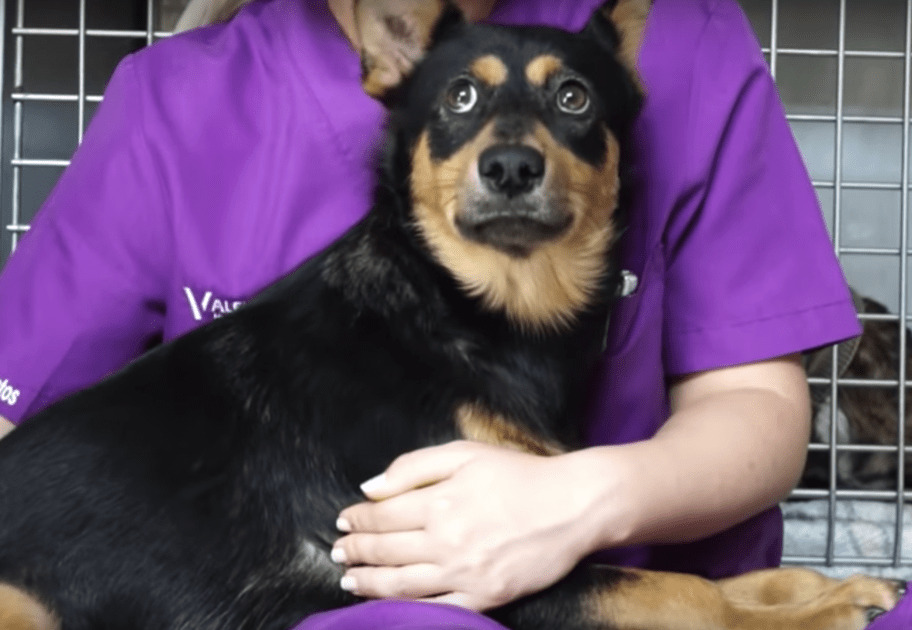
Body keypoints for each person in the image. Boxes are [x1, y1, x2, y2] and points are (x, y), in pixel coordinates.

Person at [0, 0, 907, 628]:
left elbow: (757, 405)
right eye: (464, 104)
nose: (512, 152)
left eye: (567, 104)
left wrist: (580, 502)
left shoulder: (679, 42)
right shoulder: (180, 100)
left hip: (660, 583)